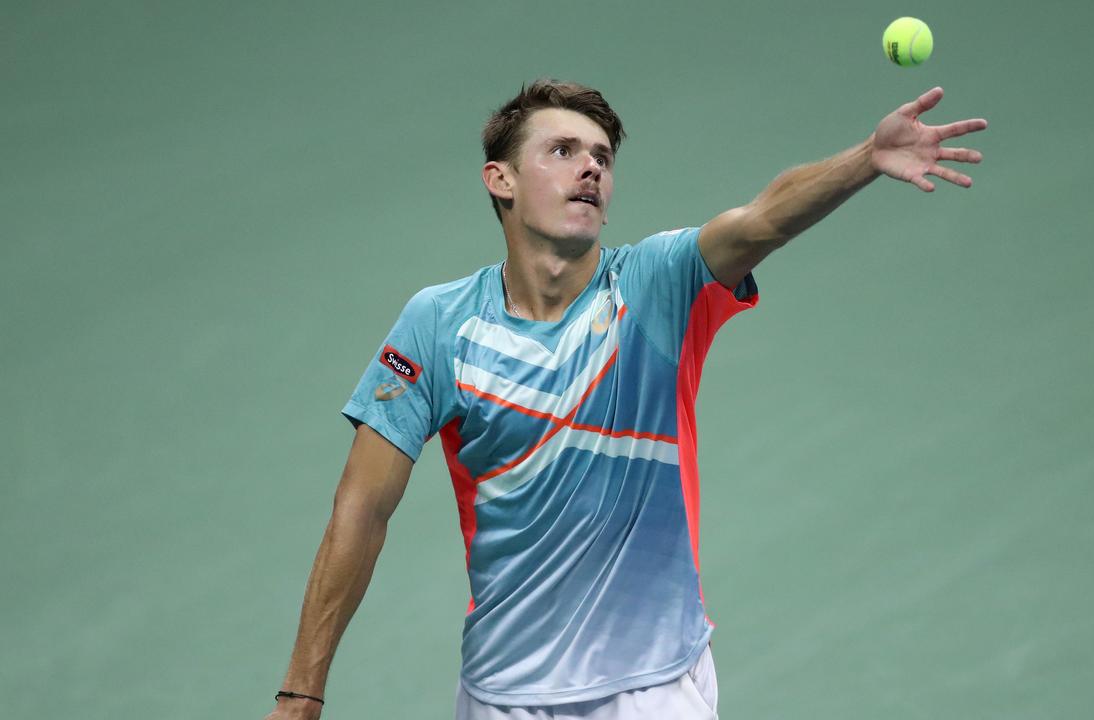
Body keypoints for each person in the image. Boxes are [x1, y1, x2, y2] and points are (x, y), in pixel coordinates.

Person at [264, 79, 986, 720]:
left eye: (603, 158)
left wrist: (865, 158)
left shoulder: (656, 284)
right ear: (501, 179)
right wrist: (302, 692)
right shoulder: (438, 324)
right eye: (563, 151)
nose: (590, 169)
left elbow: (762, 220)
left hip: (654, 687)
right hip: (500, 693)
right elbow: (361, 508)